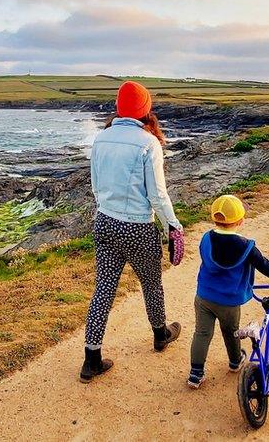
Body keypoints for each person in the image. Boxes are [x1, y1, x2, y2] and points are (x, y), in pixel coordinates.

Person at [80, 80, 185, 383]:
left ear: (118, 107)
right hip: (138, 226)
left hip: (105, 221)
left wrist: (107, 211)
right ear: (145, 110)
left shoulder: (101, 139)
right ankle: (160, 334)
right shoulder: (148, 143)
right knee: (151, 284)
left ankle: (91, 359)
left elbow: (96, 187)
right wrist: (173, 227)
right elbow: (157, 196)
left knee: (103, 289)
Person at [188, 194, 269, 389]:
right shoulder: (247, 247)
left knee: (202, 333)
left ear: (214, 218)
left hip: (204, 296)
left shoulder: (206, 238)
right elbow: (266, 266)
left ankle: (195, 374)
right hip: (229, 301)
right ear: (240, 220)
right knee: (230, 332)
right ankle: (235, 361)